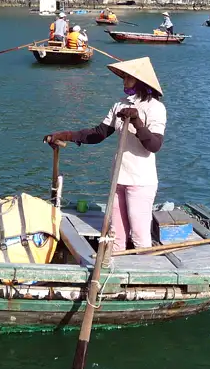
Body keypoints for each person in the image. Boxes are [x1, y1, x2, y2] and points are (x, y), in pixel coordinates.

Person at [43, 57, 166, 253]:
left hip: (140, 180)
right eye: (123, 77)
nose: (124, 81)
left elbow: (154, 145)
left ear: (140, 81)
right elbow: (98, 134)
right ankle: (114, 273)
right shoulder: (119, 104)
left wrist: (137, 122)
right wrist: (65, 135)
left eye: (128, 78)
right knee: (115, 235)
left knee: (139, 236)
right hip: (118, 177)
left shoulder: (155, 108)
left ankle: (142, 273)